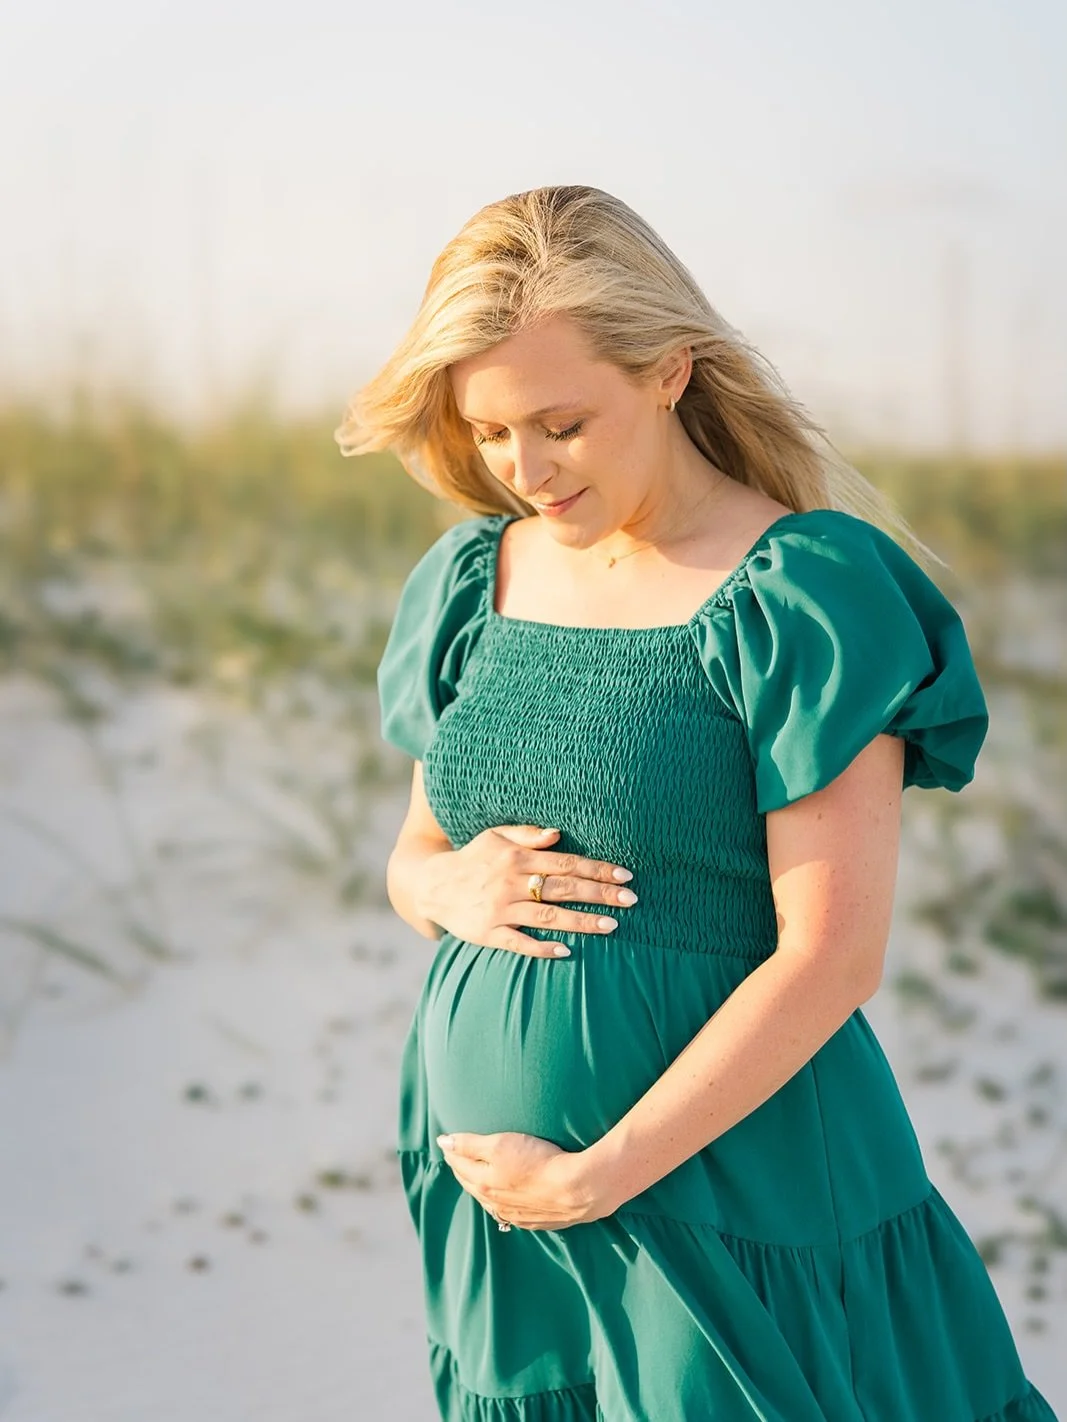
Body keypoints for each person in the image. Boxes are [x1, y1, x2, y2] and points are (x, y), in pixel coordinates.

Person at [335, 185, 1058, 1421]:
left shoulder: (802, 593)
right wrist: (445, 885)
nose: (525, 471)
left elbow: (829, 956)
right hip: (508, 1207)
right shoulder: (469, 575)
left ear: (668, 372)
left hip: (726, 1188)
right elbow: (416, 856)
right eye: (493, 432)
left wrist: (601, 1173)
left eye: (562, 423)